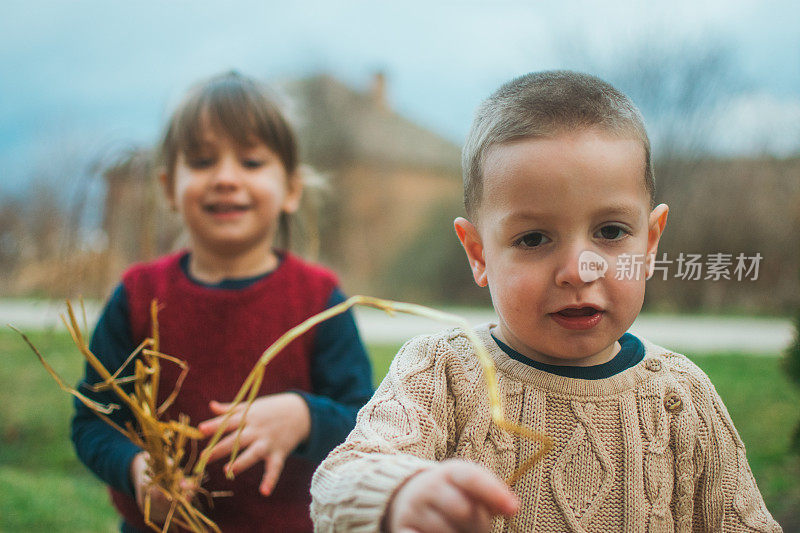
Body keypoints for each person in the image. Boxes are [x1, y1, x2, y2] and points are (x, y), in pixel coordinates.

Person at [310, 71, 781, 532]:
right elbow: (340, 480)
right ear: (479, 254)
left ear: (651, 243)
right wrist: (398, 496)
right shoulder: (443, 372)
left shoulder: (682, 398)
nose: (578, 269)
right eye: (534, 238)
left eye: (611, 232)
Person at [71, 71, 373, 533]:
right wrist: (135, 470)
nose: (226, 178)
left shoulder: (320, 301)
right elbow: (93, 421)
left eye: (251, 162)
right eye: (203, 161)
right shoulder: (137, 298)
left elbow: (365, 420)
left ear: (291, 189)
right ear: (170, 186)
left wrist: (305, 417)